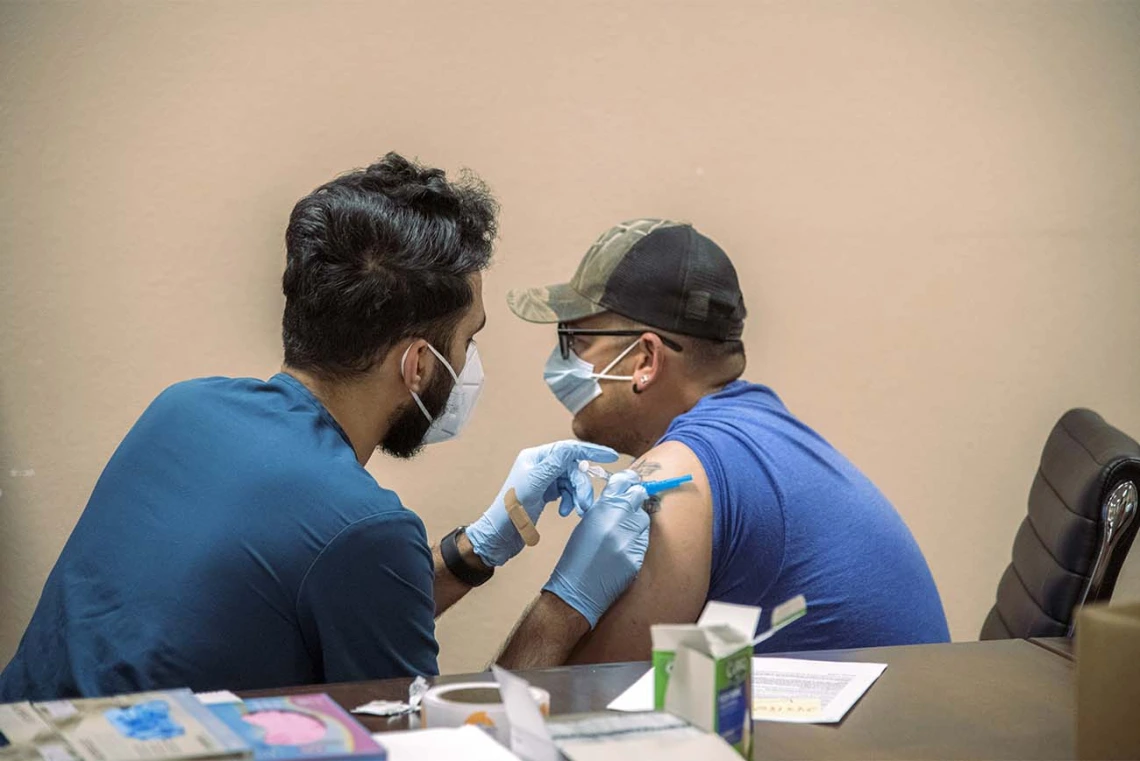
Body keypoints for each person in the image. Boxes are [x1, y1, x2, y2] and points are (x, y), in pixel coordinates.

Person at [0, 155, 651, 701]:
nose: (469, 362)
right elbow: (433, 745)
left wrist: (478, 547)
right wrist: (564, 604)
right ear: (418, 364)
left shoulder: (181, 410)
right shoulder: (365, 529)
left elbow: (326, 592)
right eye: (467, 340)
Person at [507, 218, 950, 663]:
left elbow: (554, 710)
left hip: (877, 732)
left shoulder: (679, 471)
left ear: (645, 359)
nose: (561, 360)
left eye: (576, 340)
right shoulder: (761, 429)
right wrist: (474, 551)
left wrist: (563, 598)